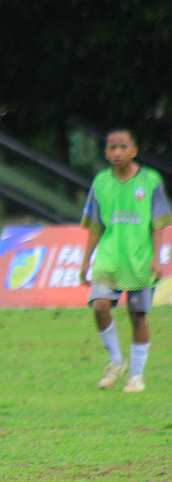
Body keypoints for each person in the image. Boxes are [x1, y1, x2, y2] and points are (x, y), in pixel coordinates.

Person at [78, 129, 172, 392]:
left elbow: (158, 224)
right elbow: (95, 225)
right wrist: (85, 261)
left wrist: (155, 257)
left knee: (138, 317)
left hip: (139, 262)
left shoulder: (150, 181)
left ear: (134, 150)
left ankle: (136, 376)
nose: (117, 152)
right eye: (111, 148)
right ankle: (116, 361)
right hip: (108, 261)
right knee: (99, 306)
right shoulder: (100, 182)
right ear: (106, 153)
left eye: (122, 147)